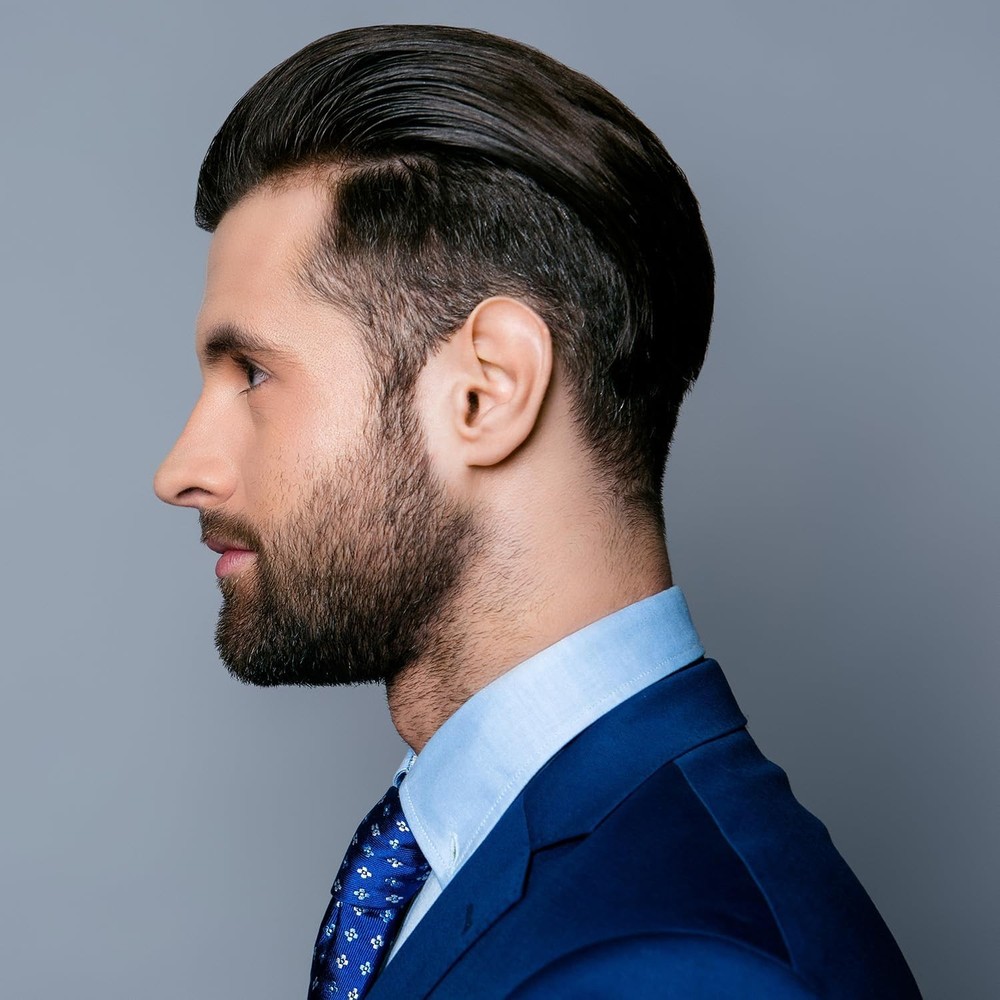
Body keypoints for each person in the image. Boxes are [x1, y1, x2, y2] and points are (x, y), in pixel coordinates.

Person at [154, 24, 920, 999]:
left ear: (487, 391)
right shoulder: (475, 849)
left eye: (253, 373)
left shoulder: (681, 965)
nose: (180, 471)